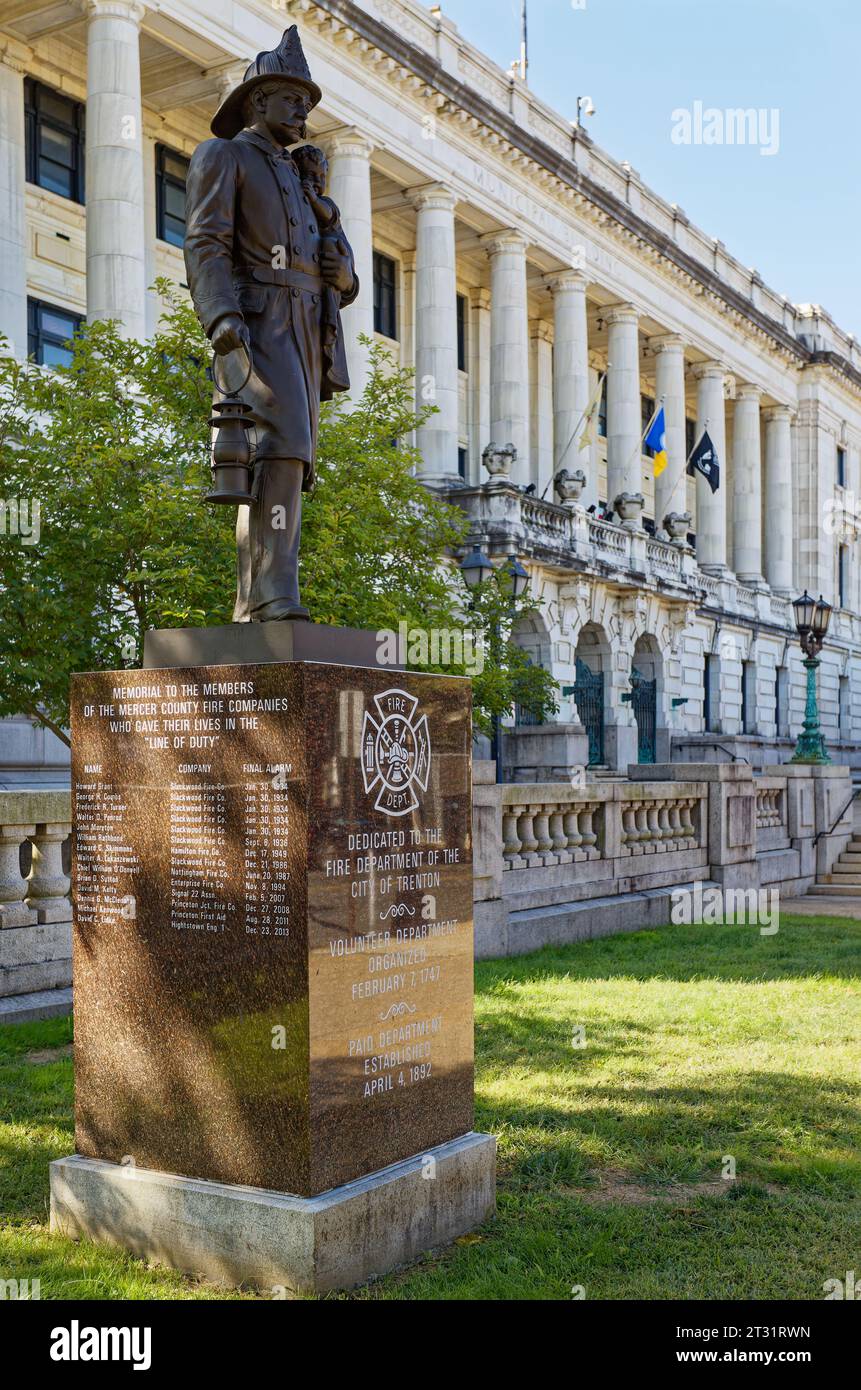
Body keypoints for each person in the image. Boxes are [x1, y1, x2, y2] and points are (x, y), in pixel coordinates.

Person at [184, 26, 359, 622]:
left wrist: (344, 276)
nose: (303, 114)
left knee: (293, 459)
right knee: (276, 451)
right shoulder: (225, 155)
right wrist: (221, 316)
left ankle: (260, 597)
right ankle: (271, 594)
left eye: (308, 106)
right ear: (258, 100)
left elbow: (339, 263)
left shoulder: (303, 177)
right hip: (259, 323)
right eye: (292, 101)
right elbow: (206, 242)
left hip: (308, 329)